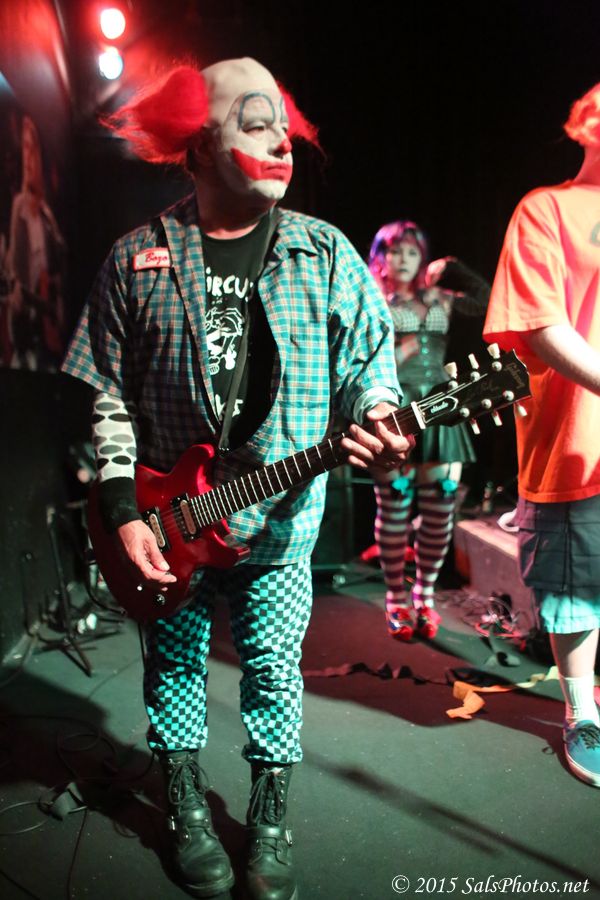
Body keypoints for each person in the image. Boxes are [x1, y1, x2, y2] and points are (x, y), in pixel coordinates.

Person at [62, 58, 412, 900]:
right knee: (173, 666)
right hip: (169, 524)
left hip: (281, 524)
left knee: (274, 669)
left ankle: (270, 812)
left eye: (283, 128)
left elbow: (371, 367)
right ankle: (184, 800)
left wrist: (383, 417)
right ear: (196, 148)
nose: (280, 143)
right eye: (254, 126)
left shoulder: (324, 253)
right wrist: (124, 510)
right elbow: (103, 393)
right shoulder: (138, 259)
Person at [483, 83, 600, 789]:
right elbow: (540, 323)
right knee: (575, 586)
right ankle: (582, 713)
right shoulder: (546, 209)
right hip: (575, 441)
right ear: (588, 124)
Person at [367, 221, 489, 641]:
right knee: (394, 509)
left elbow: (487, 299)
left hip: (440, 408)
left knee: (440, 508)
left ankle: (425, 597)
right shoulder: (370, 298)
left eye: (411, 251)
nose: (403, 259)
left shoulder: (439, 297)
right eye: (394, 250)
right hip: (393, 409)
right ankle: (395, 599)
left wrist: (453, 267)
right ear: (380, 257)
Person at [7, 115, 65, 370]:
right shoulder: (19, 207)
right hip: (27, 326)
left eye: (33, 148)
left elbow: (59, 266)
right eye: (25, 148)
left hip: (48, 330)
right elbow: (14, 268)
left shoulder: (45, 214)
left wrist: (56, 301)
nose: (29, 157)